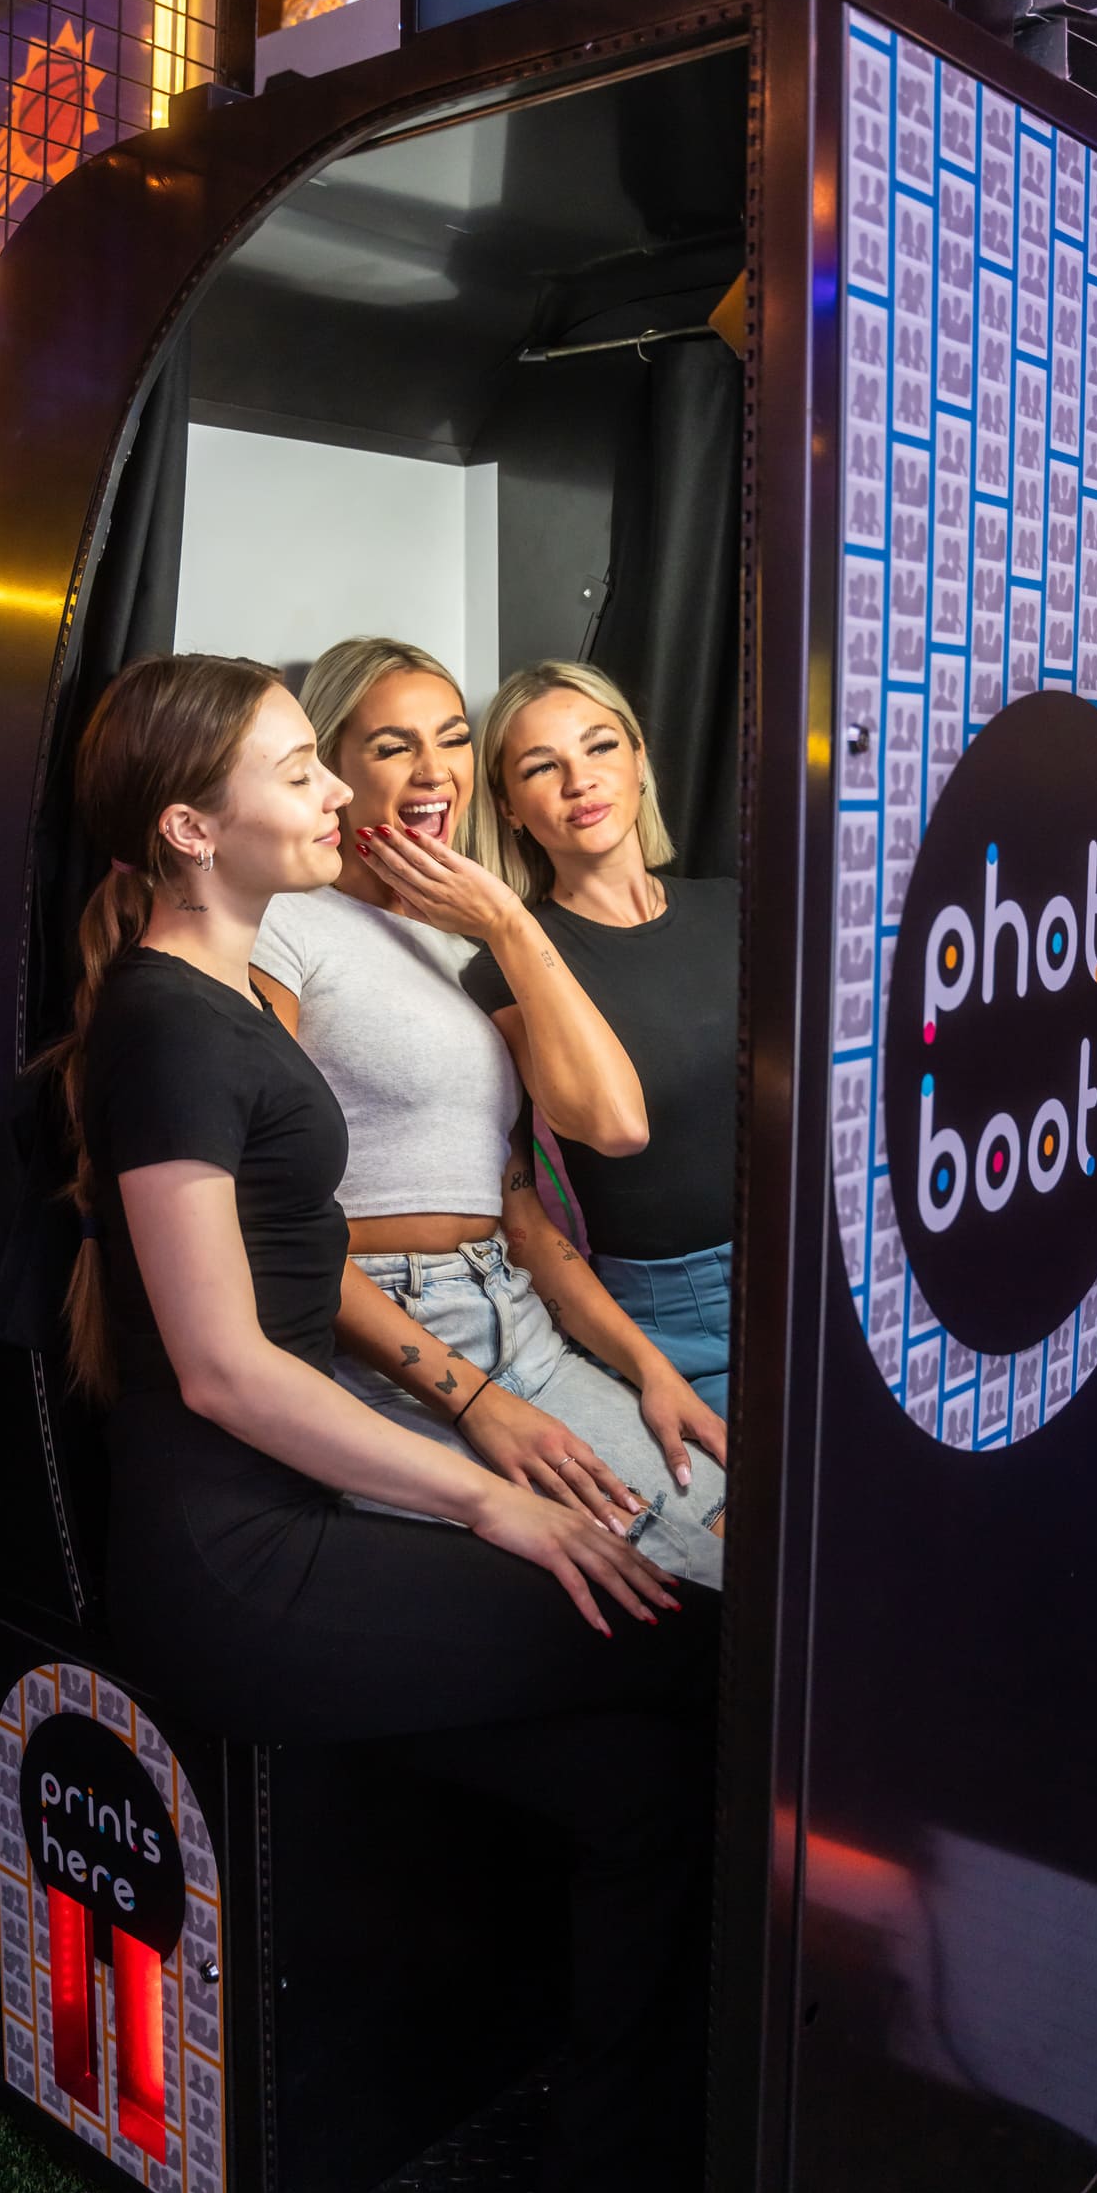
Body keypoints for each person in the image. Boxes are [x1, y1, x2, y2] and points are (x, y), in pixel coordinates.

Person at [54, 649, 717, 2193]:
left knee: (647, 1779)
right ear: (191, 830)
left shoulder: (224, 998)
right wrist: (493, 1489)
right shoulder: (165, 1023)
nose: (343, 793)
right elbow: (224, 1370)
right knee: (692, 1644)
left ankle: (626, 2146)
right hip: (239, 1563)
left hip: (286, 1519)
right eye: (305, 770)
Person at [249, 637, 725, 1584]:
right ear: (333, 770)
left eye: (452, 739)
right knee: (652, 1581)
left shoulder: (452, 937)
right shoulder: (283, 922)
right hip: (393, 1327)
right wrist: (469, 1400)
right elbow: (269, 1223)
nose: (433, 773)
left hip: (516, 1308)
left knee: (730, 1547)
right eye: (391, 747)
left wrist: (646, 1368)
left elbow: (519, 1209)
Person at [466, 659, 738, 1446]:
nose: (579, 780)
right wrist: (648, 1363)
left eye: (600, 747)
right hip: (670, 1318)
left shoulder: (740, 907)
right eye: (541, 766)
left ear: (640, 759)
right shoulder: (505, 965)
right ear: (509, 807)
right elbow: (593, 1141)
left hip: (817, 1267)